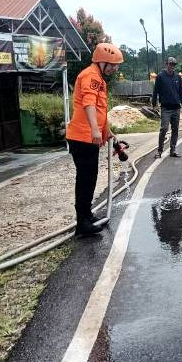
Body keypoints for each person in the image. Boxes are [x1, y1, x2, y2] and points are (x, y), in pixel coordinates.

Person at [66, 43, 123, 236]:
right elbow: (89, 104)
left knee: (90, 179)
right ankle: (82, 225)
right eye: (113, 65)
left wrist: (108, 131)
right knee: (85, 180)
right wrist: (94, 129)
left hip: (89, 137)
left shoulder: (99, 79)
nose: (115, 68)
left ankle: (87, 216)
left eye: (116, 65)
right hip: (82, 137)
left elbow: (100, 112)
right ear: (102, 62)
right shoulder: (90, 76)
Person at [152, 56, 182, 158]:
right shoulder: (160, 77)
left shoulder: (177, 77)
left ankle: (173, 150)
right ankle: (160, 150)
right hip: (165, 108)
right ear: (166, 64)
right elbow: (155, 92)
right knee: (164, 128)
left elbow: (181, 92)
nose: (172, 66)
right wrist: (154, 104)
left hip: (176, 108)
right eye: (170, 64)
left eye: (174, 65)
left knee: (175, 129)